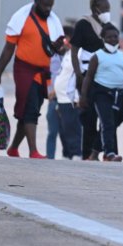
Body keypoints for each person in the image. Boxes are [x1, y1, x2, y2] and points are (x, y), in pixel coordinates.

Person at [0, 0, 66, 159]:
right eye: (45, 5)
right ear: (37, 1)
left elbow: (57, 50)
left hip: (43, 72)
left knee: (29, 110)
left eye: (51, 6)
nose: (48, 9)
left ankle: (13, 149)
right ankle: (33, 150)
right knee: (31, 108)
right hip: (24, 69)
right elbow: (8, 50)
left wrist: (58, 48)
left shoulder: (53, 22)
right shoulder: (21, 18)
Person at [79, 24, 123, 162]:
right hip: (101, 93)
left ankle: (94, 153)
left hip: (118, 95)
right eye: (109, 37)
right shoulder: (97, 56)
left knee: (116, 120)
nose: (113, 39)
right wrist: (83, 96)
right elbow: (88, 77)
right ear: (103, 38)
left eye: (115, 36)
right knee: (108, 123)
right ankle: (109, 153)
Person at [70, 0, 112, 161]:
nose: (107, 11)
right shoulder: (84, 24)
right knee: (88, 117)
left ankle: (101, 150)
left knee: (107, 116)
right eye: (105, 8)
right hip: (86, 73)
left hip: (104, 76)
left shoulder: (108, 27)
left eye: (109, 8)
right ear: (96, 8)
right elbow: (74, 50)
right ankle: (87, 153)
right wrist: (78, 73)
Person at [53, 25, 82, 159]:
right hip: (61, 98)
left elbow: (79, 76)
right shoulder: (67, 54)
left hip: (70, 98)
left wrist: (77, 97)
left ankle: (76, 154)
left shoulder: (79, 53)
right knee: (63, 129)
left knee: (72, 128)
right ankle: (67, 154)